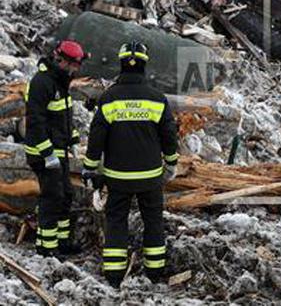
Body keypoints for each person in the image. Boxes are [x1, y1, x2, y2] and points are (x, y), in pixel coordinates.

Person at [82, 41, 178, 288]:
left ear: (121, 64)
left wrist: (90, 166)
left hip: (118, 177)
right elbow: (169, 134)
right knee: (153, 221)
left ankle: (114, 274)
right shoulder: (157, 99)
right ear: (145, 65)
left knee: (116, 221)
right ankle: (155, 271)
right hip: (150, 177)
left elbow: (97, 136)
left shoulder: (109, 98)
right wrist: (171, 163)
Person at [24, 40, 86, 257]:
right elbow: (36, 122)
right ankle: (46, 247)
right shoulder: (42, 83)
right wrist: (47, 152)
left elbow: (62, 118)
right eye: (73, 65)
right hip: (43, 152)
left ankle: (61, 242)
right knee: (52, 197)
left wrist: (73, 138)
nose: (76, 70)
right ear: (60, 60)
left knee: (66, 195)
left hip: (59, 150)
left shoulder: (59, 81)